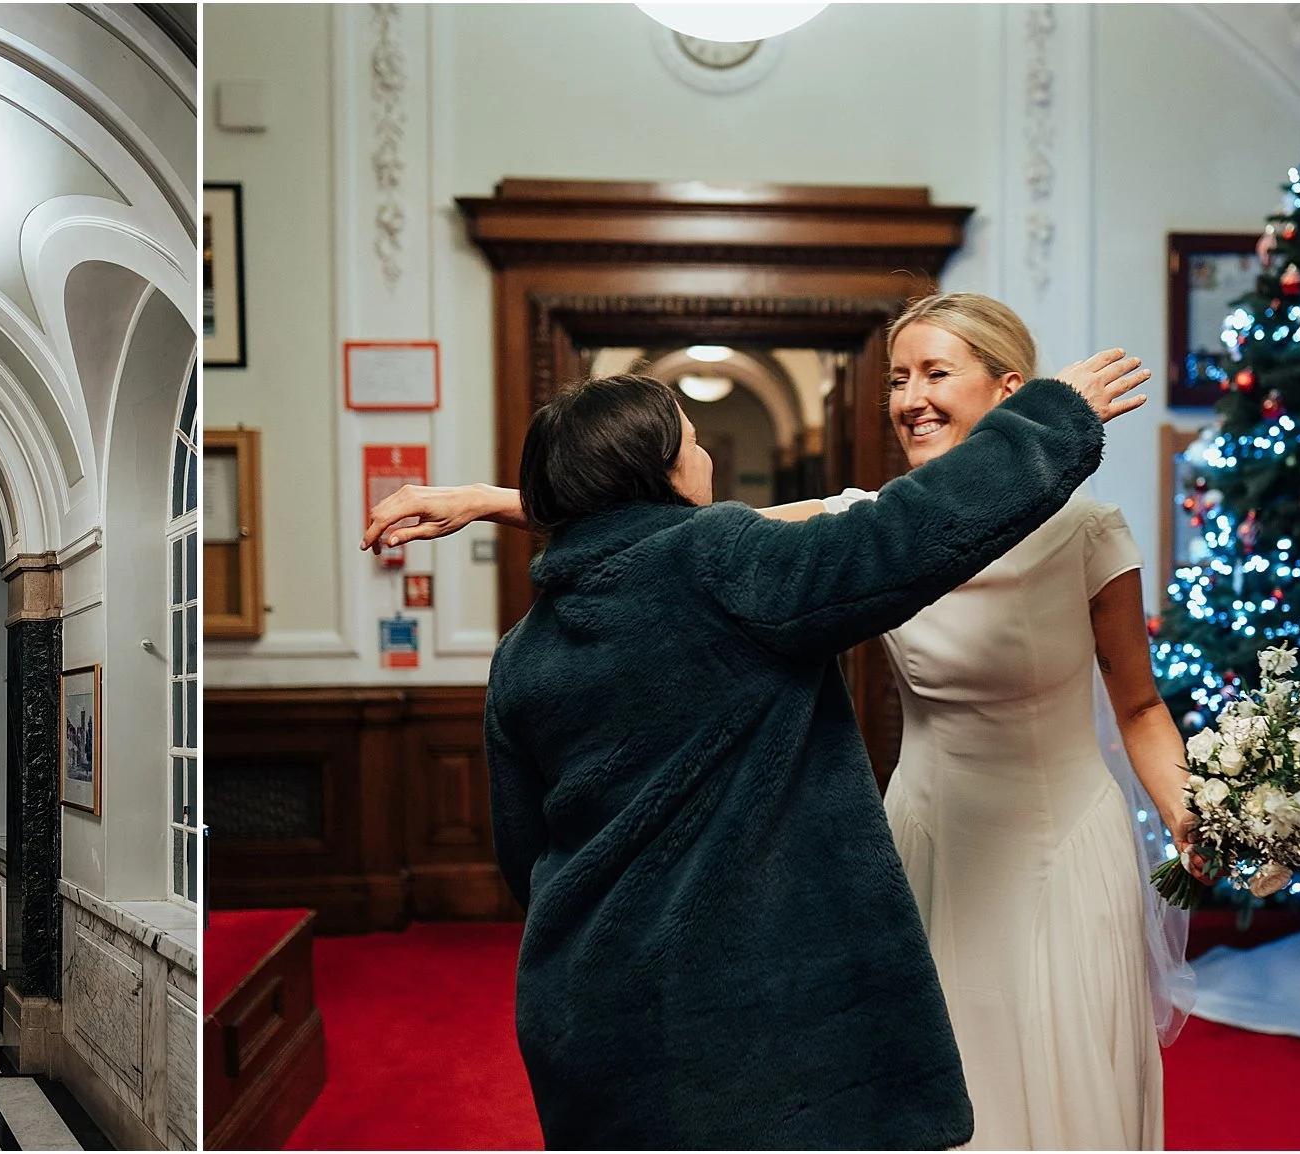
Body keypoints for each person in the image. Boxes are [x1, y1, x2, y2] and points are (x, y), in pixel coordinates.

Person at [366, 294, 1195, 1149]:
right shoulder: (763, 550)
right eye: (899, 378)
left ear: (1004, 386)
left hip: (1048, 846)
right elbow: (900, 532)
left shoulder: (521, 654)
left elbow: (521, 849)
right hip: (910, 853)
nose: (909, 395)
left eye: (935, 372)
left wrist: (492, 497)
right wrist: (1056, 418)